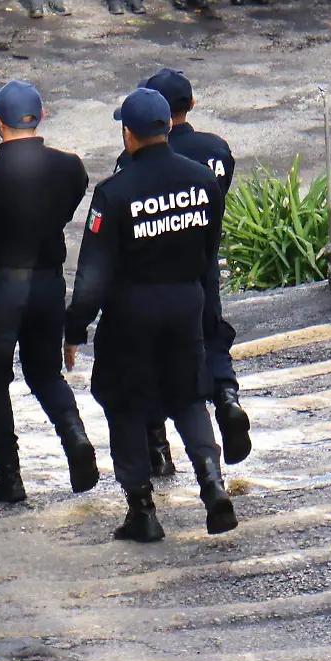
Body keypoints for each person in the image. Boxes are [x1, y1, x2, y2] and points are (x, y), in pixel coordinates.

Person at [66, 87, 234, 543]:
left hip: (131, 314)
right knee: (187, 397)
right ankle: (212, 483)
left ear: (129, 133)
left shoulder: (114, 192)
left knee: (124, 403)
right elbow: (208, 253)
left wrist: (75, 326)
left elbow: (94, 273)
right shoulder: (203, 181)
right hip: (186, 304)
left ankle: (142, 509)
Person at [0, 80, 99, 502]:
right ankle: (75, 439)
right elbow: (68, 205)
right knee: (45, 373)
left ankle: (9, 475)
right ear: (41, 118)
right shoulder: (70, 168)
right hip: (47, 283)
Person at [117, 68, 250, 467]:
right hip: (204, 264)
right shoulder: (216, 150)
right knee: (212, 335)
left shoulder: (134, 159)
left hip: (156, 273)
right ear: (191, 105)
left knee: (156, 355)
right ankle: (227, 397)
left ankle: (158, 447)